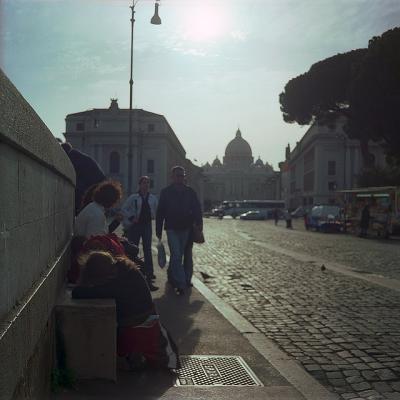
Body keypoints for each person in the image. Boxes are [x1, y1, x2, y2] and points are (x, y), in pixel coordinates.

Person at [72, 251, 179, 370]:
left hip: (137, 321)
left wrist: (86, 284)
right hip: (148, 315)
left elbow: (78, 293)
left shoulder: (115, 283)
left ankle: (131, 356)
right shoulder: (123, 268)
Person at [156, 166, 202, 296]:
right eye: (178, 175)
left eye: (182, 176)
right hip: (171, 228)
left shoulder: (190, 192)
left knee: (178, 256)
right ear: (172, 177)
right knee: (176, 255)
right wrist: (158, 230)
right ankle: (181, 283)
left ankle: (172, 277)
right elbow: (160, 212)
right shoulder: (166, 192)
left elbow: (197, 208)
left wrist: (199, 224)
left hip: (185, 228)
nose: (180, 178)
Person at [121, 176, 159, 291]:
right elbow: (124, 209)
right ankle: (132, 270)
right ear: (140, 184)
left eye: (148, 183)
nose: (146, 185)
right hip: (135, 226)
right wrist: (132, 217)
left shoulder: (153, 198)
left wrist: (155, 217)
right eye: (144, 183)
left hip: (147, 225)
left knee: (147, 249)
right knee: (133, 248)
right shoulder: (133, 197)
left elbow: (157, 210)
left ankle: (149, 273)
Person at [61, 142, 106, 215]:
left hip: (93, 183)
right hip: (97, 181)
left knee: (79, 196)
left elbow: (73, 175)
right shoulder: (78, 156)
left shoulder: (73, 157)